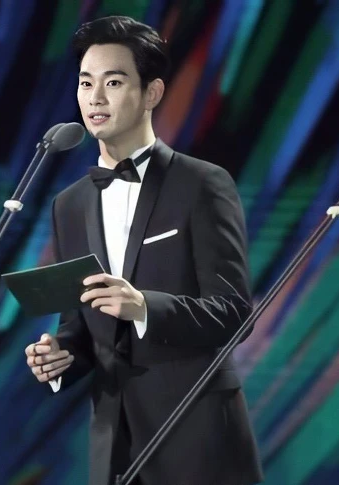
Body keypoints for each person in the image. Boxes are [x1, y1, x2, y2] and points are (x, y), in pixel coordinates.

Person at [22, 16, 263, 485]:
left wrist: (143, 306)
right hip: (114, 442)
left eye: (113, 82)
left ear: (152, 92)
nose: (95, 98)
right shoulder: (69, 204)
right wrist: (61, 354)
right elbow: (80, 325)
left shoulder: (202, 184)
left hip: (197, 435)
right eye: (86, 83)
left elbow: (235, 313)